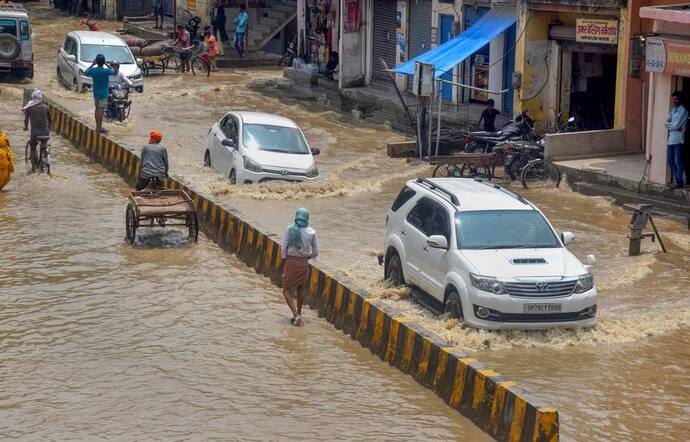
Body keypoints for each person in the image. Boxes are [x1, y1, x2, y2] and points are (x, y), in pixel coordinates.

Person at [281, 208, 319, 326]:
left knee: (286, 289)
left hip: (291, 261)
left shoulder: (290, 229)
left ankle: (295, 314)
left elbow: (283, 247)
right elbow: (316, 252)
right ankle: (299, 314)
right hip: (303, 263)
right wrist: (307, 257)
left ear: (297, 216)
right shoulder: (312, 232)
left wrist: (285, 259)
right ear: (307, 218)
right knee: (300, 288)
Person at [22, 89, 52, 172]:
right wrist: (49, 128)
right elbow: (50, 119)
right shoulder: (46, 107)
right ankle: (44, 156)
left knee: (32, 148)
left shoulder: (29, 108)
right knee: (44, 144)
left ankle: (33, 169)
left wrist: (25, 127)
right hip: (45, 131)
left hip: (35, 132)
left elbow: (26, 120)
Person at [84, 54, 113, 134]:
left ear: (96, 61)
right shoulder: (106, 71)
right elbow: (115, 72)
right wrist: (107, 65)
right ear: (103, 62)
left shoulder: (93, 70)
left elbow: (85, 72)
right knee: (101, 110)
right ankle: (99, 128)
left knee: (97, 109)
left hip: (96, 93)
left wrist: (92, 64)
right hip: (104, 94)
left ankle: (98, 127)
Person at [665, 91, 688, 189]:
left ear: (680, 99)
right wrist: (671, 126)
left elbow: (675, 125)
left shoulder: (683, 111)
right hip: (671, 139)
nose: (674, 101)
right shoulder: (673, 110)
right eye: (673, 99)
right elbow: (666, 123)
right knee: (670, 161)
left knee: (678, 161)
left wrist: (670, 125)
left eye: (676, 99)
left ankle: (679, 181)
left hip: (678, 139)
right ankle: (678, 180)